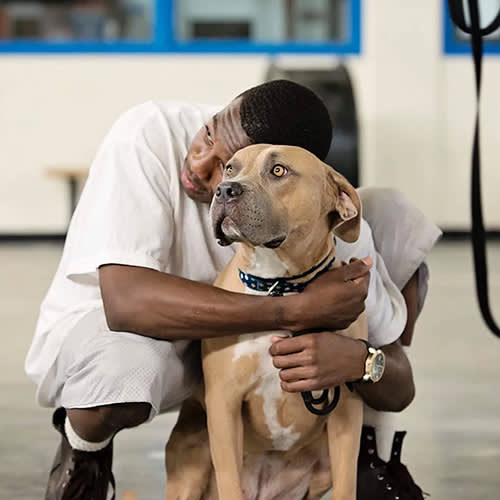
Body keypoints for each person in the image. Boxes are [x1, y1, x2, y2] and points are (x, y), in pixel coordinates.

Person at [25, 80, 440, 500]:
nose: (202, 165)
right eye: (210, 136)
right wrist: (299, 311)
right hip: (128, 332)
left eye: (271, 172)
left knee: (392, 209)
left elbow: (399, 383)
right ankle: (84, 453)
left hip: (234, 346)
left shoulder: (336, 231)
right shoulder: (149, 132)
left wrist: (359, 361)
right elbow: (125, 304)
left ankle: (373, 454)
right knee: (124, 372)